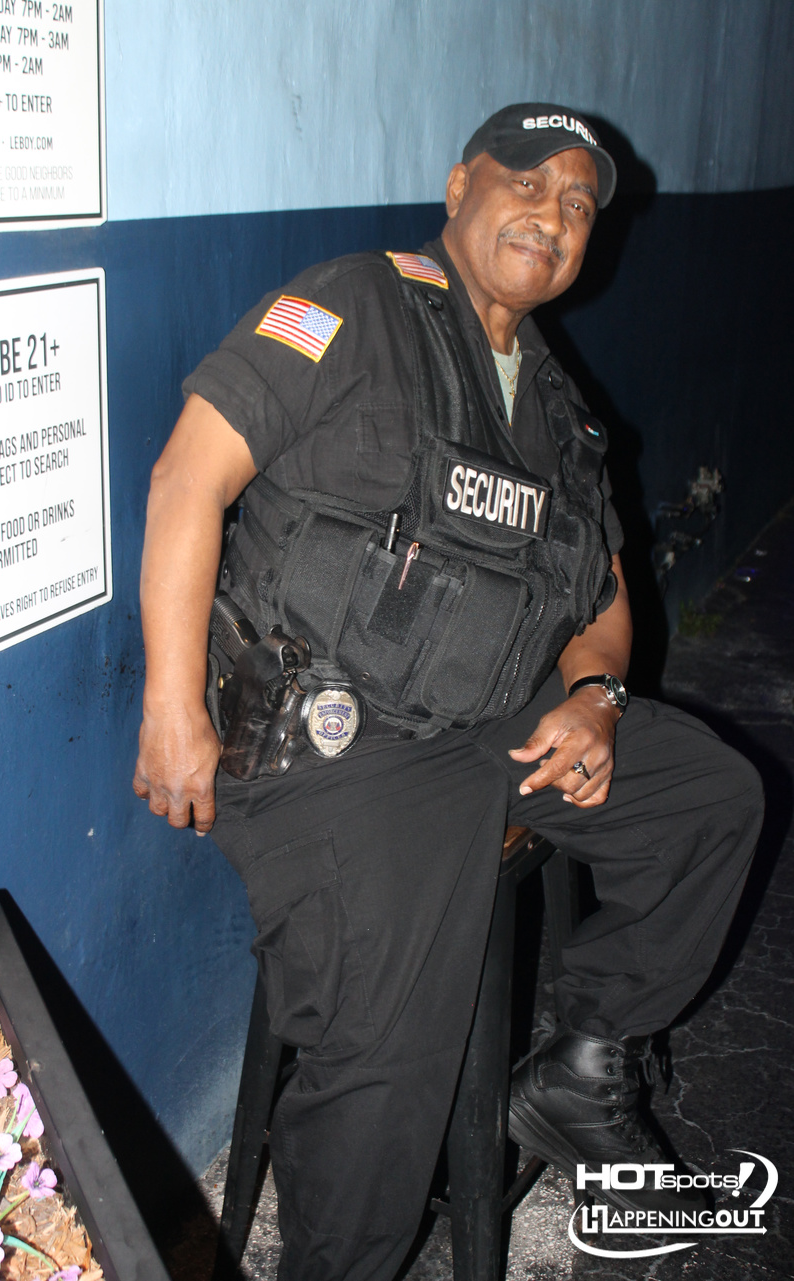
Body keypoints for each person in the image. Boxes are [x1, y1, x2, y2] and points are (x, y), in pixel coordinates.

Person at [133, 104, 763, 1280]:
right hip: (337, 744)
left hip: (496, 715)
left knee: (709, 802)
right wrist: (173, 709)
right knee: (391, 1067)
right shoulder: (348, 304)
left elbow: (605, 605)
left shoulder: (562, 410)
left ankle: (578, 1071)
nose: (551, 216)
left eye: (578, 205)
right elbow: (185, 478)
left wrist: (596, 701)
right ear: (460, 185)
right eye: (527, 185)